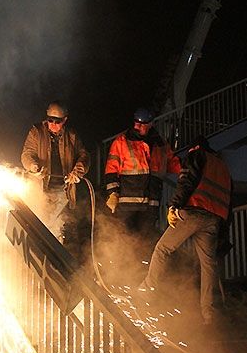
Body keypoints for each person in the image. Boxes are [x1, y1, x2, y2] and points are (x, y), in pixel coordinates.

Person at [139, 135, 232, 325]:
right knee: (208, 266)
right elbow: (230, 202)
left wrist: (174, 206)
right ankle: (209, 314)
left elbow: (186, 181)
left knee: (163, 249)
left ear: (194, 147)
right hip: (214, 220)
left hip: (193, 211)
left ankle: (146, 290)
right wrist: (223, 231)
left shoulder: (196, 155)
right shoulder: (223, 167)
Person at [21, 101, 90, 245]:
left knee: (58, 228)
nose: (53, 124)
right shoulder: (37, 132)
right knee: (39, 226)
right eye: (50, 120)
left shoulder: (71, 136)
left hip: (63, 191)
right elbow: (27, 154)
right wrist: (34, 166)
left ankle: (55, 260)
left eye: (57, 121)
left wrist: (77, 172)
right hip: (41, 189)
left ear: (64, 120)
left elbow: (84, 156)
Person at [104, 108, 180, 236]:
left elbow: (174, 164)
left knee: (145, 240)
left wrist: (192, 166)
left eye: (141, 124)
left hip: (151, 203)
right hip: (127, 204)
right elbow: (111, 169)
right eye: (136, 123)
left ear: (150, 124)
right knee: (124, 239)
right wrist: (112, 193)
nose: (137, 126)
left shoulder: (160, 144)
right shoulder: (122, 141)